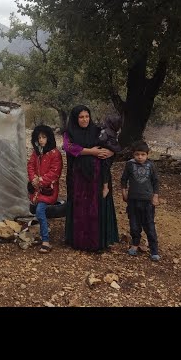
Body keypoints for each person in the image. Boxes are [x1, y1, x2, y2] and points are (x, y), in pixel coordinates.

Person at [63, 105, 119, 251]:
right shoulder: (69, 132)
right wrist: (91, 152)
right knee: (81, 207)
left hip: (97, 176)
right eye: (81, 117)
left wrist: (111, 153)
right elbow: (68, 147)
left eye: (87, 116)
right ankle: (80, 241)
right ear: (76, 118)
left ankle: (96, 242)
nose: (84, 119)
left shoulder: (97, 130)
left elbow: (112, 145)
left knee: (96, 207)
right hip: (79, 177)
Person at [120, 140, 161, 261]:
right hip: (132, 200)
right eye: (137, 154)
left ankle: (154, 250)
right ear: (133, 154)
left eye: (143, 154)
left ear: (147, 155)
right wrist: (124, 191)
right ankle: (135, 244)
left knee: (149, 224)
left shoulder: (151, 165)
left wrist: (155, 196)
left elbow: (156, 181)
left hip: (147, 201)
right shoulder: (129, 165)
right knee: (134, 224)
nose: (140, 157)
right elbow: (123, 179)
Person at [27, 124, 63, 253]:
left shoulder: (55, 154)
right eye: (39, 137)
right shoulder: (36, 153)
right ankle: (41, 233)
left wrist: (40, 180)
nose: (41, 140)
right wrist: (33, 179)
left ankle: (46, 241)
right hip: (37, 190)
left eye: (44, 137)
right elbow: (30, 166)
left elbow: (55, 173)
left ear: (49, 138)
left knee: (40, 212)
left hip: (48, 190)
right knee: (38, 211)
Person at [98, 113, 123, 199]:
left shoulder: (106, 131)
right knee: (106, 170)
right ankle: (105, 186)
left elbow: (102, 140)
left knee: (104, 170)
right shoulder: (114, 133)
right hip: (110, 156)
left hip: (105, 156)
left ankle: (105, 187)